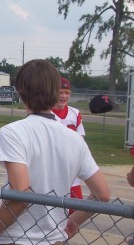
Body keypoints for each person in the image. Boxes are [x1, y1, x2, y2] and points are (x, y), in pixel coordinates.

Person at [0, 59, 110, 245]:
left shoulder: (14, 132)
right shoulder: (73, 139)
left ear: (20, 92)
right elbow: (103, 195)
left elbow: (21, 196)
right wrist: (75, 221)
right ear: (55, 92)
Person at [52, 77, 86, 214]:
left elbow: (81, 141)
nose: (63, 96)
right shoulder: (45, 113)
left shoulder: (75, 113)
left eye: (67, 93)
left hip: (72, 171)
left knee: (75, 212)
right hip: (53, 170)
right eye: (60, 92)